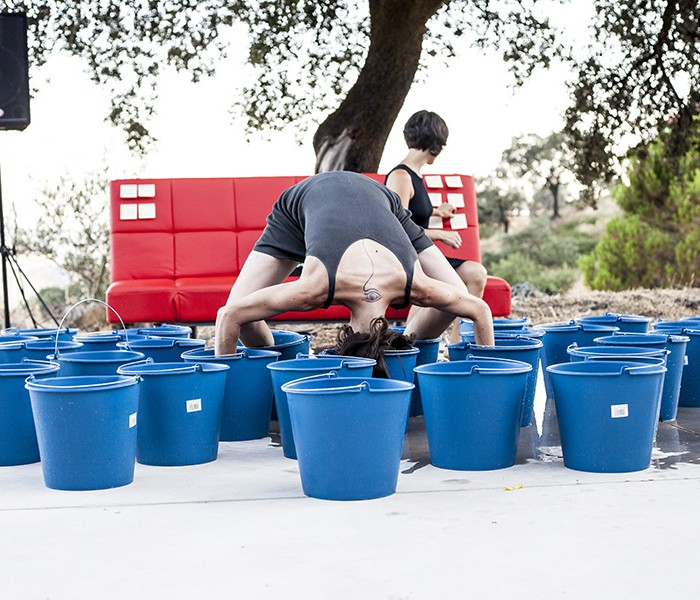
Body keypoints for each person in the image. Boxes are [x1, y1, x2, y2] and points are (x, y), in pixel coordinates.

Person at [215, 171, 494, 363]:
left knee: (456, 300)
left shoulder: (414, 284)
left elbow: (478, 309)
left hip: (382, 200)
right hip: (303, 199)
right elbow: (228, 315)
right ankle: (274, 366)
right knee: (242, 313)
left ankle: (408, 345)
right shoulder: (315, 288)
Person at [385, 110, 488, 343]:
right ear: (435, 144)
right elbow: (397, 228)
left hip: (424, 255)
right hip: (408, 258)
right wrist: (440, 234)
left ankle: (457, 342)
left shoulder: (415, 175)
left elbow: (415, 214)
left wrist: (438, 210)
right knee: (441, 286)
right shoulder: (401, 177)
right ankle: (411, 344)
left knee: (476, 274)